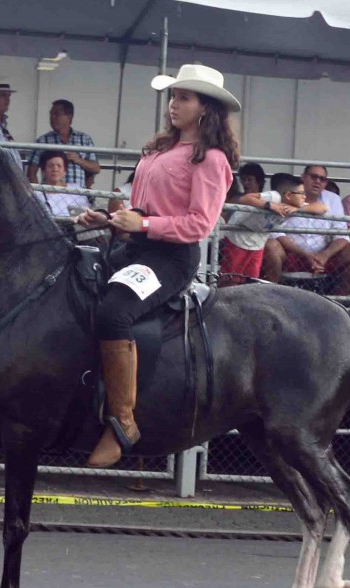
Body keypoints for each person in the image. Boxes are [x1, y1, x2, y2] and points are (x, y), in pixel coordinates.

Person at [74, 63, 238, 468]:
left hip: (171, 258)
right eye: (173, 96)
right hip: (135, 248)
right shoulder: (161, 149)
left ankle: (124, 422)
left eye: (183, 97)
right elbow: (140, 209)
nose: (173, 105)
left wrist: (142, 223)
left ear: (205, 108)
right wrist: (111, 219)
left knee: (115, 313)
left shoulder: (212, 160)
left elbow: (201, 223)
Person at [261, 165, 350, 295]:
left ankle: (336, 302)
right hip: (290, 254)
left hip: (323, 257)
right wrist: (305, 255)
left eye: (322, 179)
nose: (318, 181)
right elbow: (275, 231)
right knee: (271, 246)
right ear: (303, 177)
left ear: (326, 183)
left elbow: (342, 236)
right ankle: (272, 296)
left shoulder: (332, 199)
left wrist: (324, 255)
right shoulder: (289, 194)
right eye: (314, 177)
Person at [220, 173, 326, 286]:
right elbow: (245, 198)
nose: (304, 196)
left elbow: (322, 208)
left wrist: (298, 209)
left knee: (251, 279)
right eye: (301, 193)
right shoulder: (273, 197)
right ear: (288, 195)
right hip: (238, 238)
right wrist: (269, 206)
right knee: (231, 277)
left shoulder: (295, 203)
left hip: (258, 242)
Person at [26, 99, 99, 188]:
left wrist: (79, 160)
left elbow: (96, 168)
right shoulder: (43, 140)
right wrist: (39, 194)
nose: (52, 117)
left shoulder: (84, 139)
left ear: (69, 117)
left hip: (78, 195)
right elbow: (31, 172)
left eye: (56, 114)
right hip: (51, 195)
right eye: (51, 114)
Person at [34, 150, 90, 218]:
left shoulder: (76, 190)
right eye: (51, 166)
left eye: (59, 166)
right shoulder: (36, 193)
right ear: (43, 171)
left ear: (65, 171)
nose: (55, 169)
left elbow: (85, 215)